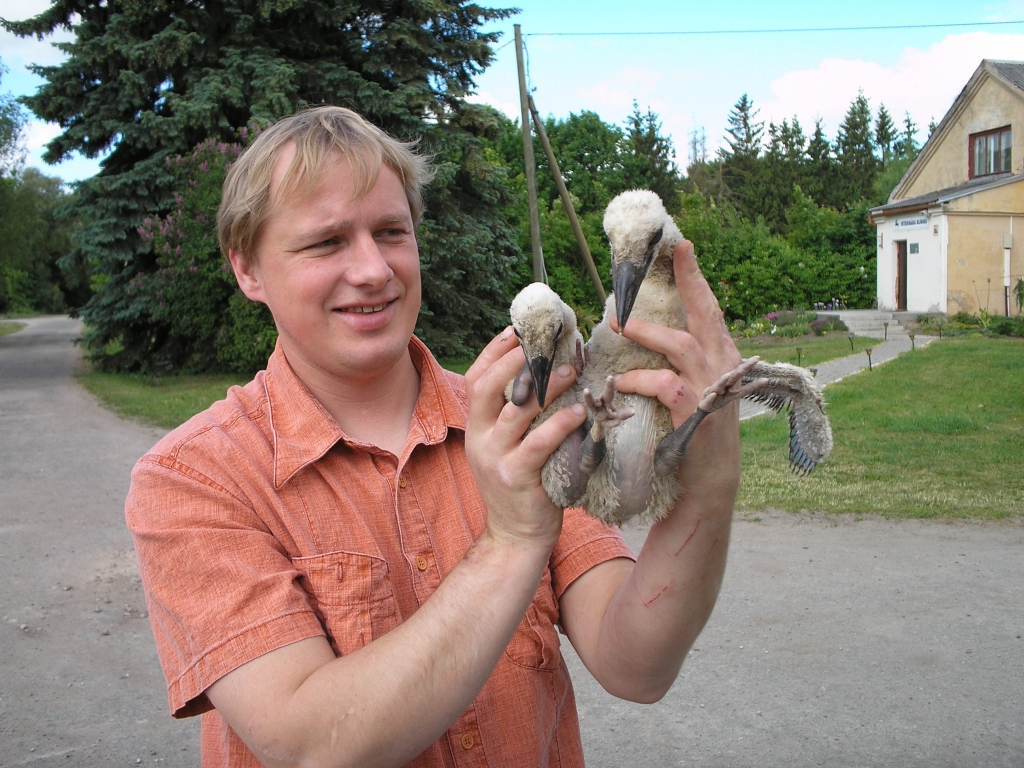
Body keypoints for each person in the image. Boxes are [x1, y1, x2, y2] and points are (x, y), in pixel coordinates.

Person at [126, 106, 745, 768]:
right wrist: (512, 541)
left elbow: (637, 666)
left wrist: (708, 486)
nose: (372, 270)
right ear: (247, 269)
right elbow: (308, 743)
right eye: (325, 242)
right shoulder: (193, 479)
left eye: (391, 231)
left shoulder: (524, 419)